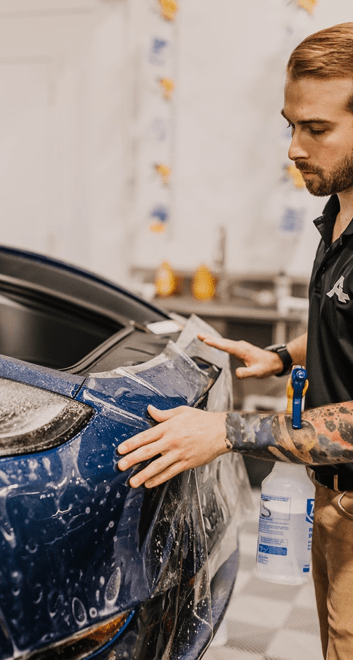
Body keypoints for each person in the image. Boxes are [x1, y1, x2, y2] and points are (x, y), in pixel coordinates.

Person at [117, 23, 353, 660]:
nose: (295, 148)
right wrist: (279, 356)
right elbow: (344, 322)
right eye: (291, 125)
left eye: (317, 129)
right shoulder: (338, 211)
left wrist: (225, 433)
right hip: (335, 503)